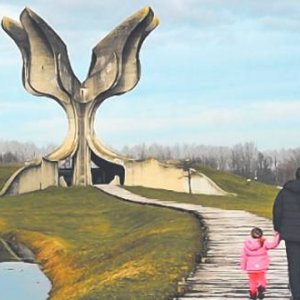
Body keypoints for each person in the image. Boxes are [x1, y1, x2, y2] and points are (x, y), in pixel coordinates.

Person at [273, 167, 300, 300]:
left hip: (291, 236)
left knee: (294, 266)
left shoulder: (285, 192)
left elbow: (277, 211)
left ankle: (296, 294)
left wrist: (279, 229)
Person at [240, 227, 280, 300]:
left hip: (250, 267)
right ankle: (261, 287)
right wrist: (277, 236)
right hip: (261, 267)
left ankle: (253, 294)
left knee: (252, 281)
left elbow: (244, 256)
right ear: (261, 235)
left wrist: (243, 266)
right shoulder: (264, 242)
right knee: (262, 279)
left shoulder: (247, 244)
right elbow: (273, 245)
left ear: (251, 235)